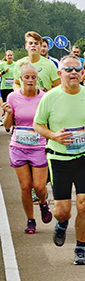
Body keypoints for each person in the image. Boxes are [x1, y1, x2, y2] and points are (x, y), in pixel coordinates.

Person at [32, 55, 85, 265]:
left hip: (84, 157)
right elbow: (37, 125)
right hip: (59, 159)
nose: (73, 73)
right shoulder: (50, 97)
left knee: (84, 205)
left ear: (83, 73)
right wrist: (53, 136)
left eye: (77, 69)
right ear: (60, 74)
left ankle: (80, 247)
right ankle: (62, 224)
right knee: (63, 210)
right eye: (68, 70)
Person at [4, 64, 50, 233]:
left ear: (37, 78)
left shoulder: (45, 97)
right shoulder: (13, 97)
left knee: (39, 187)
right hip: (19, 146)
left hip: (39, 146)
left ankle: (43, 203)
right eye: (27, 77)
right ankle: (30, 220)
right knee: (25, 186)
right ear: (21, 79)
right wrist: (8, 113)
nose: (30, 80)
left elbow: (49, 122)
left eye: (33, 77)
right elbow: (8, 126)